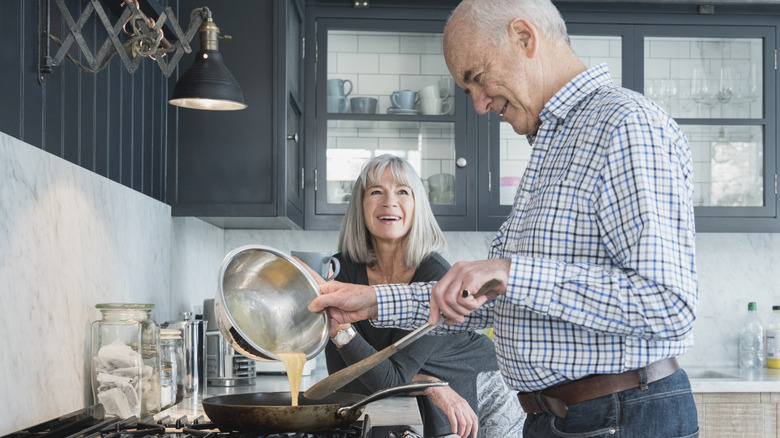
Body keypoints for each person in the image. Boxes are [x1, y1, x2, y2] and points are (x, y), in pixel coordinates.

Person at [309, 1, 699, 437]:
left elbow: (668, 304)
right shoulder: (553, 144)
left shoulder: (624, 124)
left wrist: (512, 272)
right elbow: (487, 301)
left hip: (619, 415)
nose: (478, 104)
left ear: (524, 38)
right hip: (562, 418)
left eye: (477, 78)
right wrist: (374, 301)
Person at [320, 154, 524, 438]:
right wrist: (429, 382)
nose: (389, 201)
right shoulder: (341, 270)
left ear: (417, 205)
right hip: (424, 396)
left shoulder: (434, 274)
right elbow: (345, 377)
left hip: (481, 391)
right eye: (376, 191)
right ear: (360, 205)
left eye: (402, 191)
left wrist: (340, 329)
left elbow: (390, 377)